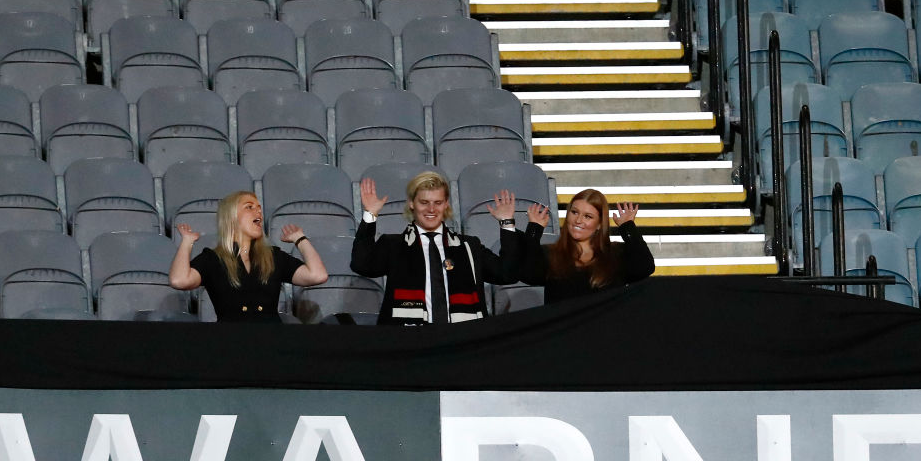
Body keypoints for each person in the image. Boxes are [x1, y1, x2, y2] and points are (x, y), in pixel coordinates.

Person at [350, 170, 521, 324]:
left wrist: (507, 224)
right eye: (424, 202)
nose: (431, 209)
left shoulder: (468, 246)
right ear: (412, 203)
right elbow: (362, 265)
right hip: (407, 343)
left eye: (438, 202)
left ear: (446, 204)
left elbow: (507, 274)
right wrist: (370, 215)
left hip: (462, 342)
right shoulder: (394, 245)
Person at [169, 190, 329, 322]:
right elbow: (179, 280)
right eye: (249, 207)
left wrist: (300, 239)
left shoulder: (273, 256)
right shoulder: (213, 258)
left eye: (259, 207)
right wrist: (187, 242)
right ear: (231, 217)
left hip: (271, 340)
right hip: (231, 341)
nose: (258, 210)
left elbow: (317, 275)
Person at [520, 188, 654, 304]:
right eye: (574, 212)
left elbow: (644, 268)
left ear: (600, 224)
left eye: (588, 216)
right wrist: (534, 229)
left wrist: (628, 227)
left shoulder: (616, 253)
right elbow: (528, 275)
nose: (578, 220)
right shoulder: (550, 253)